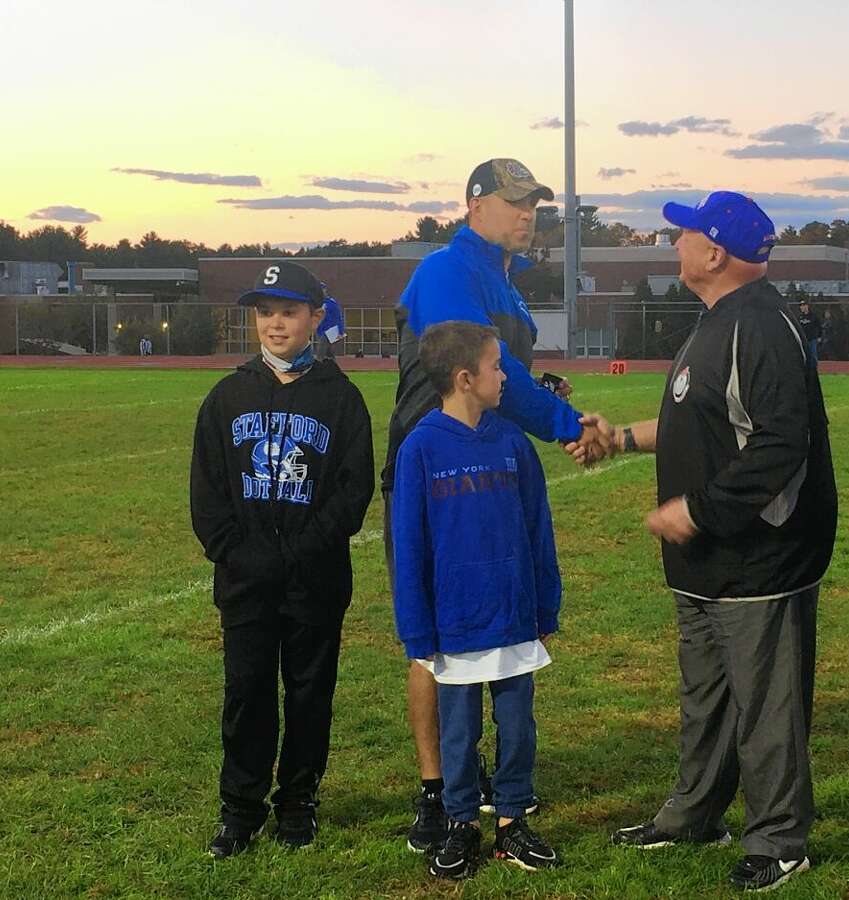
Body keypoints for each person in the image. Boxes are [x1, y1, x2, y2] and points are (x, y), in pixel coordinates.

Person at [582, 192, 837, 892]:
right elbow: (705, 423)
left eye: (683, 233)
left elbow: (783, 444)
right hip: (708, 562)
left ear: (716, 252)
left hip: (760, 557)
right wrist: (623, 441)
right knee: (709, 699)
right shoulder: (717, 322)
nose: (674, 245)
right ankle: (695, 813)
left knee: (768, 706)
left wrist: (698, 511)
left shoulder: (760, 325)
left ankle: (780, 839)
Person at [381, 157, 613, 852]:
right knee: (435, 644)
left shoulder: (499, 275)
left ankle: (487, 789)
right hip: (439, 474)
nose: (526, 216)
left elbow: (505, 377)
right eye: (515, 203)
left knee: (500, 625)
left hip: (494, 470)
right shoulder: (451, 269)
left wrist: (543, 394)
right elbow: (489, 376)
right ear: (474, 204)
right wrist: (566, 425)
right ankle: (437, 795)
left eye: (534, 206)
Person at [190, 260, 375, 857]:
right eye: (264, 312)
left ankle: (298, 801)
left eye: (289, 311)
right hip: (245, 582)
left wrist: (299, 551)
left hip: (314, 580)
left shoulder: (341, 399)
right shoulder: (227, 396)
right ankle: (240, 808)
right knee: (245, 693)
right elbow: (208, 491)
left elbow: (352, 492)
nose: (275, 324)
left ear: (316, 317)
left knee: (308, 692)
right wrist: (238, 555)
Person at [391, 321, 562, 880]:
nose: (504, 377)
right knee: (460, 731)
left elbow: (538, 527)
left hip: (512, 613)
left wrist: (545, 606)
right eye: (496, 367)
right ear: (466, 379)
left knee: (519, 726)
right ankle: (461, 822)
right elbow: (411, 544)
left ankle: (512, 821)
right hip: (455, 621)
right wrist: (417, 629)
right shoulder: (421, 446)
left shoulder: (512, 440)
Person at [797, 300, 822, 365]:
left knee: (813, 355)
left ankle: (814, 369)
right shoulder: (799, 317)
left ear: (807, 306)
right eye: (801, 306)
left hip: (812, 339)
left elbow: (819, 326)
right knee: (804, 355)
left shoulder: (813, 316)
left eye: (804, 305)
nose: (802, 307)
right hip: (803, 340)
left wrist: (819, 336)